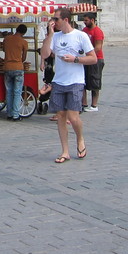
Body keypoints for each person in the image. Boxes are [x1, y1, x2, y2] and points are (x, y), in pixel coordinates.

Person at [41, 8, 97, 163]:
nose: (53, 22)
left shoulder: (81, 36)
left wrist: (75, 59)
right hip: (59, 81)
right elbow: (45, 54)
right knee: (60, 117)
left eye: (56, 19)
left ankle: (80, 139)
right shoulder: (55, 36)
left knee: (73, 117)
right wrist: (50, 34)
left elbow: (93, 59)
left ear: (65, 20)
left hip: (76, 81)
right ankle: (65, 151)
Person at [2, 24, 29, 121]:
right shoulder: (24, 42)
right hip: (18, 67)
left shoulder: (7, 39)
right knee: (17, 92)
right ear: (24, 33)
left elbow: (4, 50)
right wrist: (19, 60)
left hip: (7, 67)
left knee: (9, 91)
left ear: (16, 30)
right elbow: (24, 57)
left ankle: (9, 114)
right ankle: (16, 115)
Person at [81, 14, 105, 111]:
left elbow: (98, 47)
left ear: (92, 20)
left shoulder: (98, 32)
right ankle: (84, 103)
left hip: (96, 59)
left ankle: (94, 105)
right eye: (84, 20)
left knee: (95, 81)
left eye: (86, 20)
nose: (84, 22)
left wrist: (90, 56)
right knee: (83, 81)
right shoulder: (84, 31)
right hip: (86, 58)